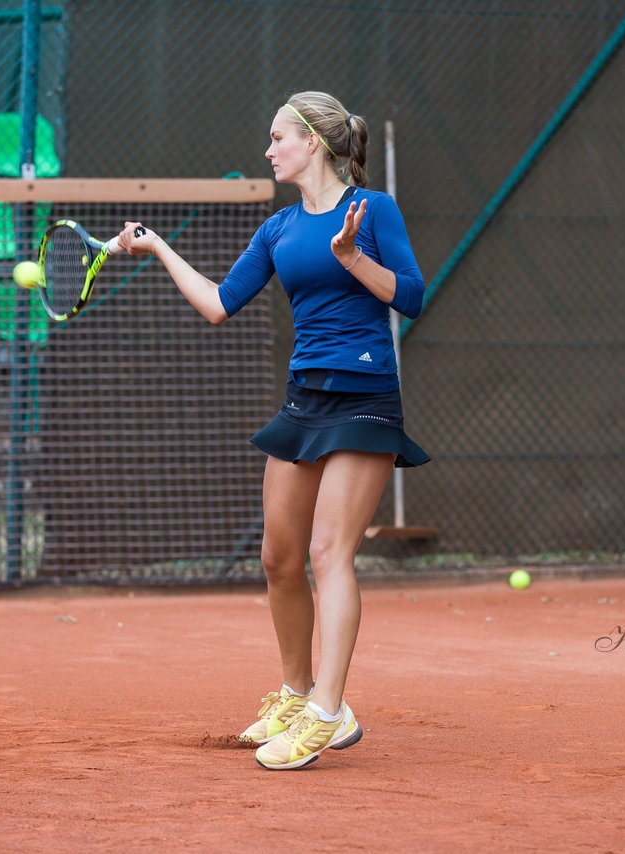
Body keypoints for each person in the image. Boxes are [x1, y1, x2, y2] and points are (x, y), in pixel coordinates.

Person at [116, 90, 428, 770]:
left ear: (312, 141)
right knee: (278, 558)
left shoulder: (371, 211)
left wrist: (353, 259)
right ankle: (293, 693)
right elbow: (220, 305)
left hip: (365, 397)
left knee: (326, 553)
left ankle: (326, 710)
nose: (268, 150)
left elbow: (411, 295)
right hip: (304, 400)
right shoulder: (279, 229)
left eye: (277, 137)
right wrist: (158, 247)